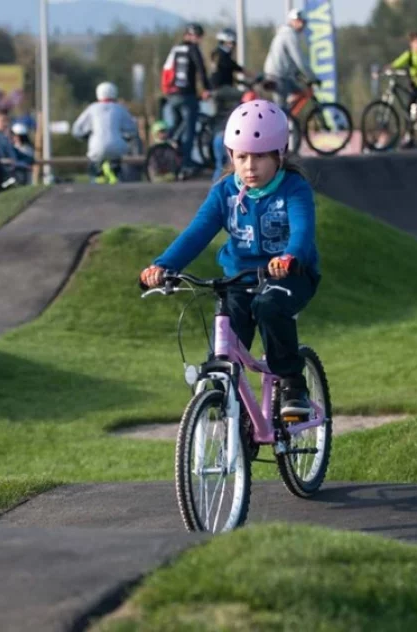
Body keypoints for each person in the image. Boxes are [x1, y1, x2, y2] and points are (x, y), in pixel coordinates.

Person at [139, 99, 320, 418]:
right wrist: (164, 265)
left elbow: (302, 230)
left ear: (280, 154)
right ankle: (225, 403)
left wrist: (290, 256)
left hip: (289, 275)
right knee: (224, 339)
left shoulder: (293, 188)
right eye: (242, 156)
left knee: (268, 307)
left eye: (260, 156)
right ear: (230, 156)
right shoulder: (224, 193)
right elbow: (197, 233)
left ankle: (293, 383)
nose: (250, 166)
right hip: (240, 280)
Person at [160, 23, 212, 176]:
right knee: (189, 130)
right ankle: (186, 163)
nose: (198, 39)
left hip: (171, 94)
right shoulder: (193, 49)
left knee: (176, 126)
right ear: (190, 36)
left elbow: (167, 70)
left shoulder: (175, 50)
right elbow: (201, 70)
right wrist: (207, 89)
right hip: (186, 95)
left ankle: (168, 151)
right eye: (197, 36)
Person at [71, 82, 139, 185]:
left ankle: (99, 176)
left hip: (96, 149)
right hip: (117, 148)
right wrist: (125, 137)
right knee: (116, 164)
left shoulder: (92, 108)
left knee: (95, 168)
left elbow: (76, 129)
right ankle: (113, 172)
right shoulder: (120, 109)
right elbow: (133, 129)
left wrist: (86, 137)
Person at [264, 9, 320, 110]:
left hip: (280, 74)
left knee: (299, 92)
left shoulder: (285, 33)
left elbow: (290, 60)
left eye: (304, 22)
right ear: (293, 21)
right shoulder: (289, 35)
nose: (302, 25)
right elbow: (299, 60)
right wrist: (312, 77)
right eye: (300, 21)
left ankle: (291, 120)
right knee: (281, 110)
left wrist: (298, 74)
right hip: (278, 76)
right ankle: (283, 121)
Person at [210, 28, 246, 113]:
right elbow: (239, 69)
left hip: (215, 89)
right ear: (224, 42)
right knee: (246, 95)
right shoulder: (223, 56)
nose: (233, 46)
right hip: (221, 89)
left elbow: (226, 74)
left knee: (219, 113)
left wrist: (241, 82)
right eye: (231, 43)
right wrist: (258, 76)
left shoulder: (216, 54)